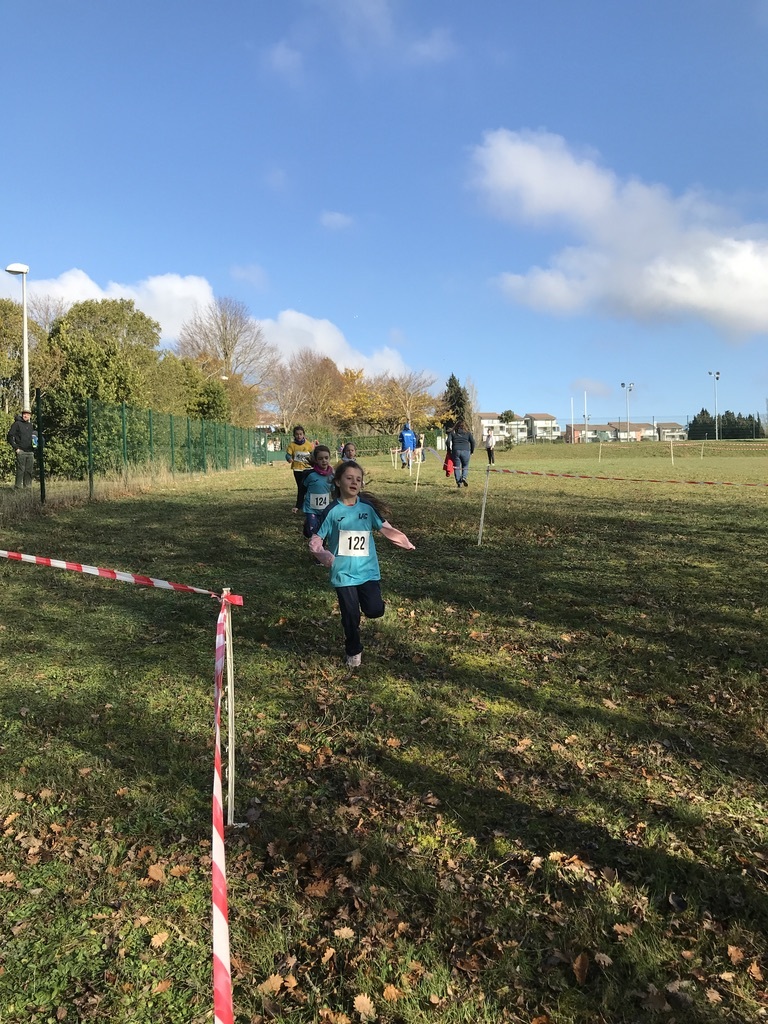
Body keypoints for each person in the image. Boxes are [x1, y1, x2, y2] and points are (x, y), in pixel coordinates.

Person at [309, 460, 415, 668]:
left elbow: (385, 528)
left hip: (368, 572)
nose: (354, 482)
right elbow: (315, 541)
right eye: (349, 478)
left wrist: (404, 541)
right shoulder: (331, 511)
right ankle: (353, 650)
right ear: (338, 482)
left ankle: (375, 606)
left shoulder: (367, 508)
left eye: (358, 479)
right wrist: (325, 556)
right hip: (343, 574)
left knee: (374, 610)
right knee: (350, 615)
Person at [300, 445, 334, 537]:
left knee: (324, 531)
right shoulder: (310, 475)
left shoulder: (332, 476)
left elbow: (335, 492)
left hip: (325, 509)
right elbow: (302, 490)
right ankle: (309, 527)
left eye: (326, 458)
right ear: (315, 460)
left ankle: (321, 544)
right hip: (311, 509)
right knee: (313, 532)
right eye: (320, 458)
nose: (324, 461)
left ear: (329, 458)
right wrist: (298, 505)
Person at [285, 425, 315, 511]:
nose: (299, 436)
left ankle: (310, 503)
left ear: (303, 435)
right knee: (301, 487)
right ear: (294, 435)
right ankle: (299, 505)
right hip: (297, 469)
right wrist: (289, 458)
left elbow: (313, 454)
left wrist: (314, 461)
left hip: (308, 469)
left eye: (300, 434)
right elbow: (288, 454)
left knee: (309, 487)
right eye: (297, 434)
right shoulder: (292, 445)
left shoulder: (308, 444)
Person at [7, 408, 36, 490]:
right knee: (20, 470)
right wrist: (16, 448)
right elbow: (9, 436)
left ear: (30, 416)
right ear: (22, 415)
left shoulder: (30, 425)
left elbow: (33, 437)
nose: (26, 416)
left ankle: (27, 488)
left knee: (29, 471)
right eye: (24, 414)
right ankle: (18, 488)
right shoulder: (17, 424)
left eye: (28, 414)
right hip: (21, 451)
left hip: (30, 451)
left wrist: (35, 446)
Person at [446, 419, 475, 488]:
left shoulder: (452, 432)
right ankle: (464, 477)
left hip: (455, 451)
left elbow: (447, 441)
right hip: (466, 450)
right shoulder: (468, 433)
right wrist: (472, 451)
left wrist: (449, 449)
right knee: (465, 466)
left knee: (457, 467)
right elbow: (473, 442)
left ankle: (459, 482)